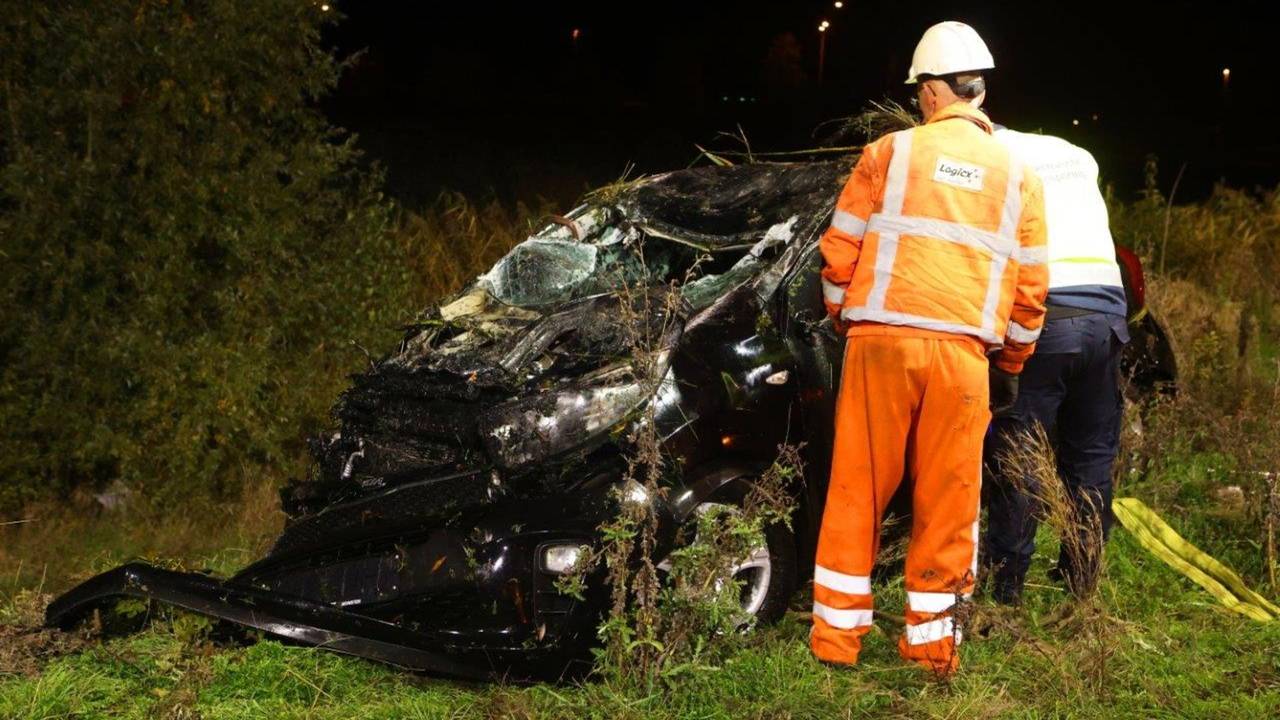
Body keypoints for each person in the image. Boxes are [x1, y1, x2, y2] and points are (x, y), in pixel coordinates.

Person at [810, 20, 1048, 675]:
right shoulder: (1020, 177)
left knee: (857, 487)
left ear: (936, 90)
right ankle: (933, 647)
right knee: (950, 499)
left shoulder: (889, 152)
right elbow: (1031, 290)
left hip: (880, 344)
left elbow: (839, 252)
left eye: (919, 91)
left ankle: (836, 639)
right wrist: (1011, 364)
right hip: (963, 358)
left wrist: (846, 321)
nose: (918, 101)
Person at [981, 126, 1130, 604]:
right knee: (1091, 456)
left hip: (1047, 312)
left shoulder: (989, 154)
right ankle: (1081, 580)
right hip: (1107, 313)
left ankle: (1005, 589)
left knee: (1020, 455)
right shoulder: (1074, 153)